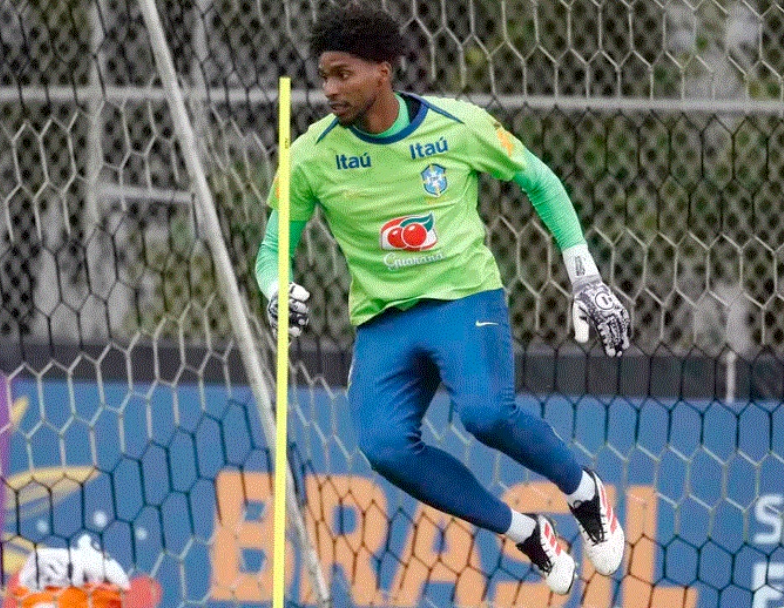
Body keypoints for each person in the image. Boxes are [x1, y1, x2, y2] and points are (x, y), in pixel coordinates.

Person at [255, 0, 631, 595]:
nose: (329, 90)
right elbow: (272, 248)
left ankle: (585, 492)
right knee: (383, 447)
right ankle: (525, 532)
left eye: (343, 74)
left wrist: (585, 277)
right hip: (384, 321)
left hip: (463, 300)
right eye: (323, 76)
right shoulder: (309, 155)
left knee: (486, 414)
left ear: (383, 70)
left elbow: (540, 180)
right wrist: (277, 288)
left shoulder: (457, 125)